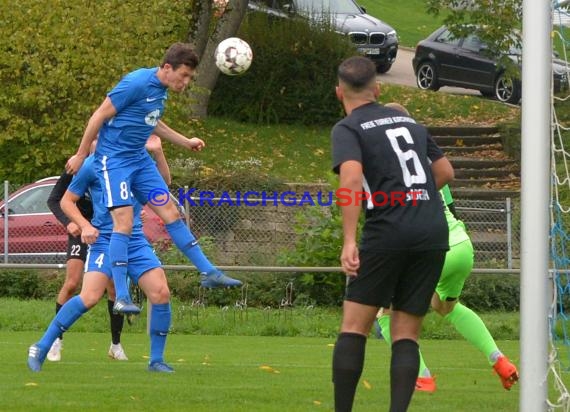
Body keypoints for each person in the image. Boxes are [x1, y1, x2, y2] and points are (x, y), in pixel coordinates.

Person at [64, 42, 241, 315]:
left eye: (190, 78)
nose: (186, 81)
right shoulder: (136, 82)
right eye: (183, 75)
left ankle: (209, 272)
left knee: (171, 211)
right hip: (115, 162)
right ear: (167, 68)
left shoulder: (160, 92)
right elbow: (98, 115)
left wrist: (185, 141)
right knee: (123, 221)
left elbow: (152, 122)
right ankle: (121, 295)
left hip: (139, 161)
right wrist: (80, 154)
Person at [330, 56, 454, 412]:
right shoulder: (409, 122)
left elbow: (351, 180)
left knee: (354, 327)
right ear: (378, 89)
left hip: (388, 230)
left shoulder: (348, 128)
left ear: (340, 92)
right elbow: (445, 171)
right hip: (431, 231)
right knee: (406, 333)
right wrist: (414, 195)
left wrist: (350, 240)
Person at [27, 139, 175, 373]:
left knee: (161, 293)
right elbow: (66, 201)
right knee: (89, 297)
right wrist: (84, 225)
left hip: (135, 241)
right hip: (105, 240)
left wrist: (158, 152)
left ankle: (156, 360)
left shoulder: (138, 158)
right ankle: (42, 346)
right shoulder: (92, 164)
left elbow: (163, 185)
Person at [375, 184, 519, 392]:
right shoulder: (431, 163)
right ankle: (498, 360)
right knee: (443, 307)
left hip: (432, 249)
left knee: (386, 313)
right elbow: (451, 211)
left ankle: (421, 377)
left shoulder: (393, 170)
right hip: (461, 245)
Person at [46, 156, 126, 362]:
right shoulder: (77, 166)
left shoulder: (114, 164)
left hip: (105, 233)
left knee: (114, 288)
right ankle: (55, 340)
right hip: (80, 231)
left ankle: (115, 346)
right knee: (72, 283)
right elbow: (54, 199)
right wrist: (68, 223)